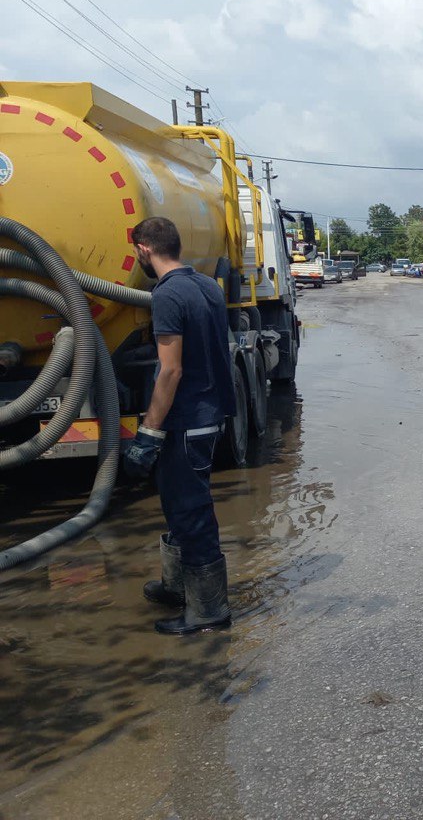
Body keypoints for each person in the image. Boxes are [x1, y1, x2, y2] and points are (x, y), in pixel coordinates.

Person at [122, 216, 237, 635]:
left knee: (191, 511)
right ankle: (176, 588)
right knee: (177, 503)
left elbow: (170, 371)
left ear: (144, 250)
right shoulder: (207, 285)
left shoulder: (167, 294)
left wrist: (148, 432)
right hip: (209, 414)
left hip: (186, 419)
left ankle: (208, 610)